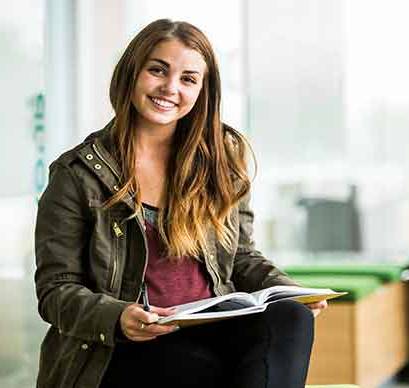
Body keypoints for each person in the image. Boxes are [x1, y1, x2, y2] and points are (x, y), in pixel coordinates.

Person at [34, 19, 326, 388]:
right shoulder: (77, 173)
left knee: (290, 318)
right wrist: (117, 316)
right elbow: (56, 289)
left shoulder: (221, 161)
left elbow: (240, 257)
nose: (170, 88)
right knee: (200, 367)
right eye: (158, 70)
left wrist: (290, 290)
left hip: (212, 327)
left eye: (188, 78)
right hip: (122, 347)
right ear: (132, 73)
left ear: (203, 90)